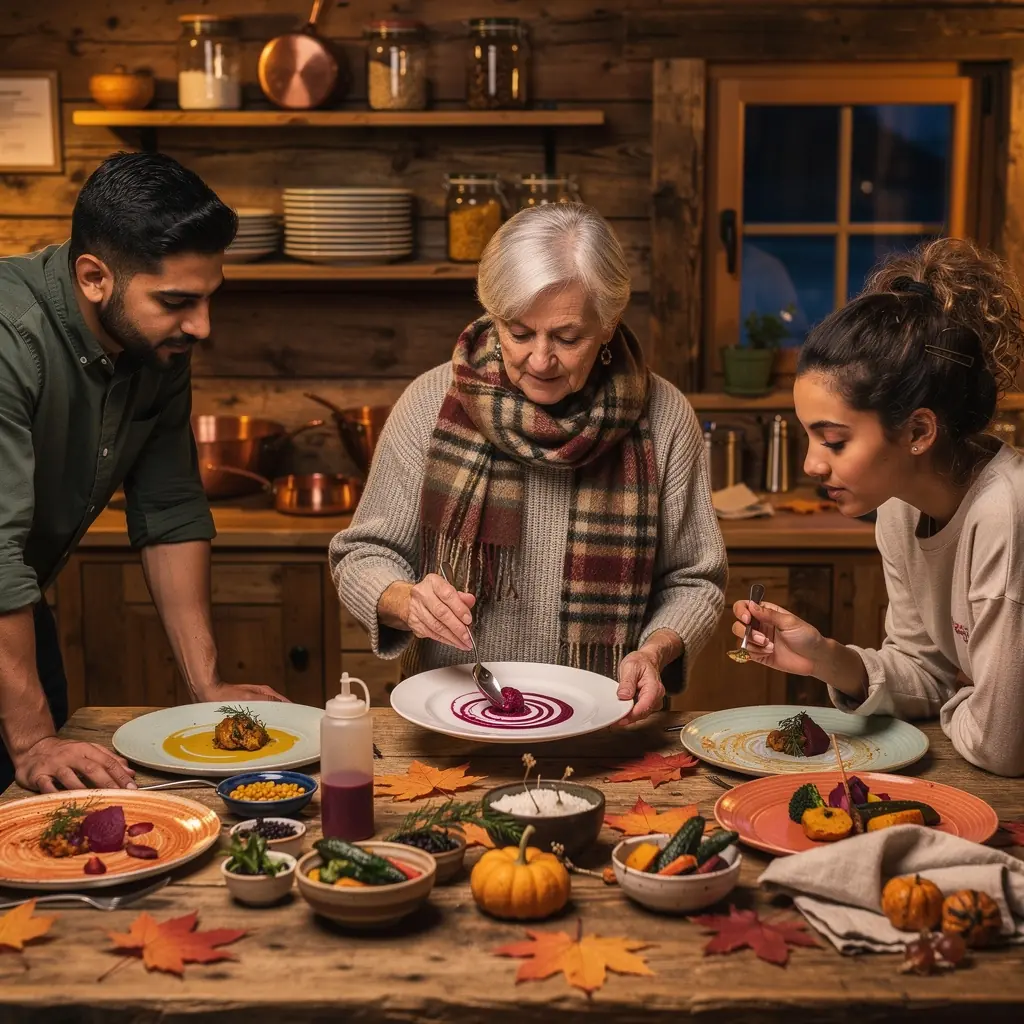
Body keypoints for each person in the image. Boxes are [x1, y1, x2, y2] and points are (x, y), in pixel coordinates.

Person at [331, 203, 726, 723]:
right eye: (519, 333)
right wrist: (404, 599)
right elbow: (361, 554)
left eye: (567, 338)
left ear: (608, 326)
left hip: (607, 724)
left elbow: (695, 580)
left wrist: (654, 651)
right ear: (493, 316)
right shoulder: (429, 403)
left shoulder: (665, 417)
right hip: (451, 716)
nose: (541, 360)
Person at [0, 151, 285, 795]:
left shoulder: (153, 343)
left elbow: (171, 508)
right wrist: (35, 739)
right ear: (95, 277)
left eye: (210, 299)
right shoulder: (6, 339)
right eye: (178, 301)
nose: (202, 326)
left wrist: (205, 684)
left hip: (14, 612)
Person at [731, 237, 1024, 777]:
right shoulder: (899, 507)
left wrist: (964, 700)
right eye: (808, 438)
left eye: (835, 441)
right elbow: (926, 673)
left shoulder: (1006, 512)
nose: (811, 467)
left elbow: (1002, 746)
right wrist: (826, 657)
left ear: (917, 430)